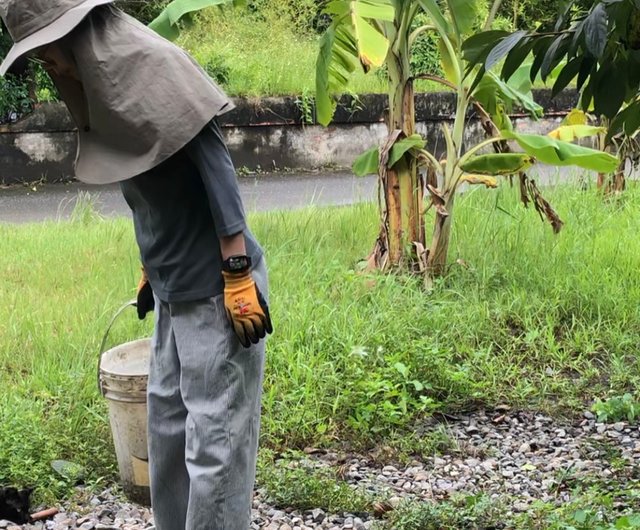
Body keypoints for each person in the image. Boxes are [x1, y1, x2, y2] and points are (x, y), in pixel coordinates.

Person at [0, 1, 273, 529]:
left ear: (74, 34)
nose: (46, 66)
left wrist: (237, 271)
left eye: (45, 52)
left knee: (215, 440)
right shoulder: (109, 90)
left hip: (218, 289)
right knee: (167, 432)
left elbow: (216, 167)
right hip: (173, 291)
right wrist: (150, 268)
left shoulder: (155, 68)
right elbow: (150, 192)